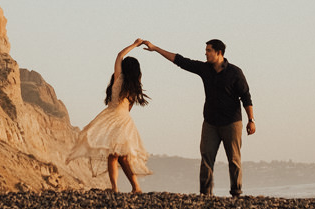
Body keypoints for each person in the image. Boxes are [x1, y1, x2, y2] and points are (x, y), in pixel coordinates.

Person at [141, 38, 254, 196]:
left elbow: (246, 97)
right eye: (206, 50)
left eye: (208, 50)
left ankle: (236, 192)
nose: (205, 53)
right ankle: (205, 193)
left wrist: (251, 120)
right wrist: (155, 48)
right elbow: (181, 61)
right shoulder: (205, 68)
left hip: (231, 122)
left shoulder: (235, 72)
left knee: (234, 159)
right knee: (206, 158)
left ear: (219, 52)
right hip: (210, 123)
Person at [66, 39, 151, 192]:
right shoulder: (133, 87)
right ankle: (135, 187)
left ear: (124, 68)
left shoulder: (119, 79)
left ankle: (115, 187)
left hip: (113, 117)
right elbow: (128, 109)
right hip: (125, 120)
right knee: (122, 157)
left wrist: (134, 44)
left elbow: (119, 55)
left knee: (113, 155)